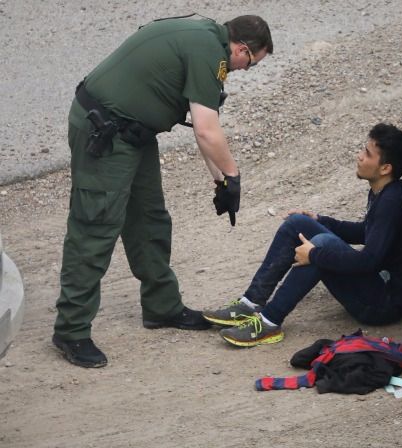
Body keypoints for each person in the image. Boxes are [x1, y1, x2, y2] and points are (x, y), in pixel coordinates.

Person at [52, 15, 273, 368]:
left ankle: (162, 307)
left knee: (149, 219)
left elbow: (205, 126)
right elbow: (206, 130)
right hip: (104, 132)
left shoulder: (204, 39)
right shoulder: (209, 54)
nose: (245, 70)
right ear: (242, 49)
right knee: (95, 228)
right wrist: (234, 175)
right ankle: (70, 330)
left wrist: (221, 181)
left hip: (133, 132)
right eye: (250, 63)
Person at [204, 123, 402, 346]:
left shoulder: (391, 202)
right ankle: (250, 304)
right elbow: (366, 232)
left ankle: (269, 322)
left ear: (385, 168)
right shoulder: (384, 190)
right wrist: (319, 220)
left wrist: (315, 255)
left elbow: (369, 260)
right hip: (377, 285)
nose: (359, 156)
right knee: (297, 223)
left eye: (367, 154)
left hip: (385, 305)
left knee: (321, 244)